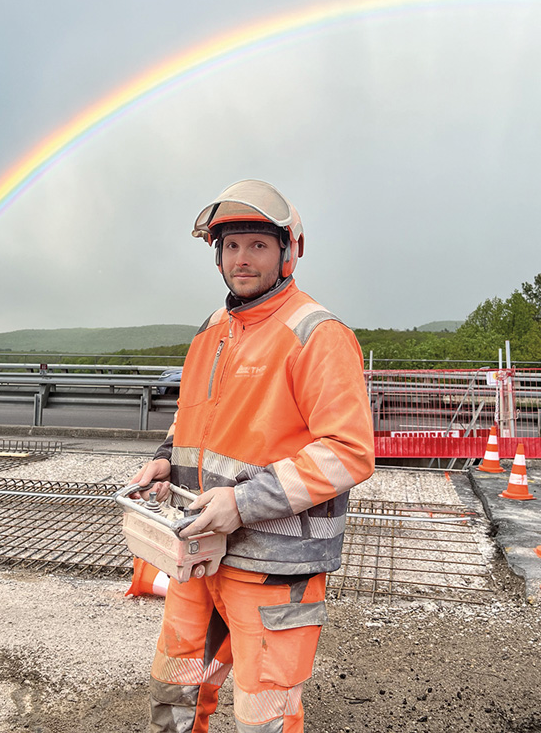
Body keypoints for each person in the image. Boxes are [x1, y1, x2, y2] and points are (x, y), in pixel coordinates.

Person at [131, 179, 375, 732]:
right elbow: (192, 420)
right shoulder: (213, 331)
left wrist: (242, 503)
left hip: (271, 562)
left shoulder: (317, 334)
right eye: (232, 245)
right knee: (177, 678)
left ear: (288, 251)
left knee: (263, 709)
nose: (242, 259)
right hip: (199, 549)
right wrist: (165, 460)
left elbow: (349, 452)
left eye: (258, 245)